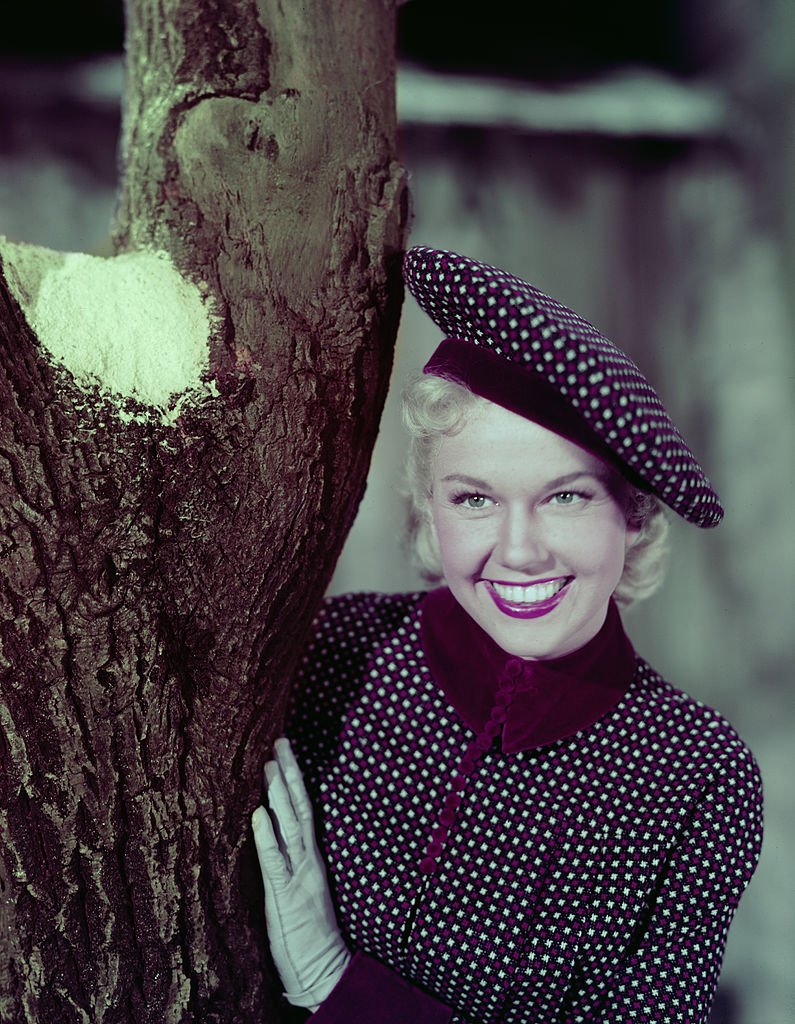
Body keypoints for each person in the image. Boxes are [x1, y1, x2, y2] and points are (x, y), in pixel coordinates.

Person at [252, 246, 763, 1023]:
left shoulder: (696, 778)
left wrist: (335, 984)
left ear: (631, 517)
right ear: (428, 509)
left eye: (564, 498)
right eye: (474, 500)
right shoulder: (330, 651)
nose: (519, 551)